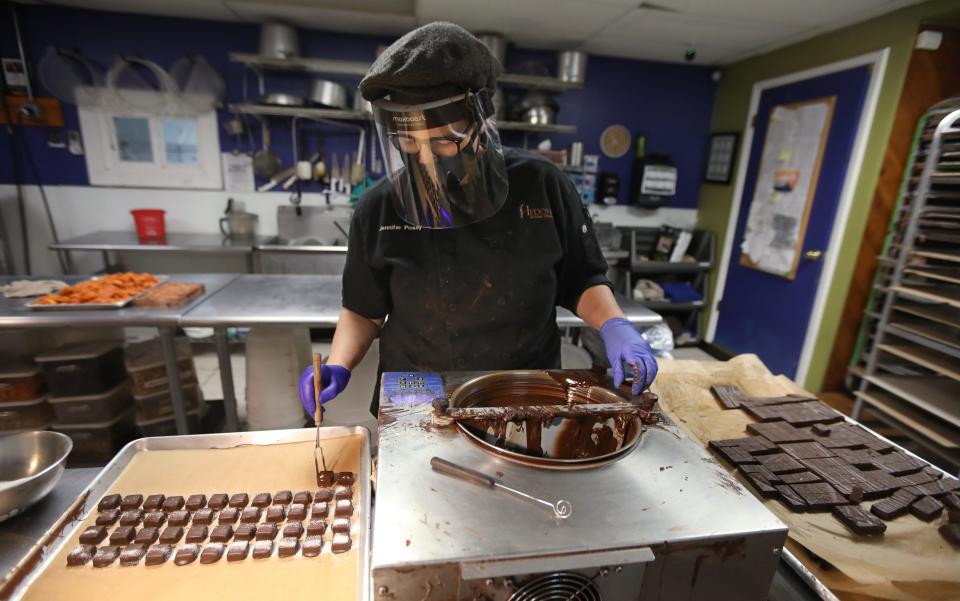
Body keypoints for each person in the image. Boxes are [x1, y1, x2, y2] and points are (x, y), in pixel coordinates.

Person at [299, 22, 657, 416]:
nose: (425, 160)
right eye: (407, 143)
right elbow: (363, 309)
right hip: (417, 388)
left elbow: (582, 279)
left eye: (443, 142)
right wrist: (338, 362)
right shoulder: (379, 208)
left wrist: (614, 326)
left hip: (521, 388)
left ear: (481, 125)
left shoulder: (543, 186)